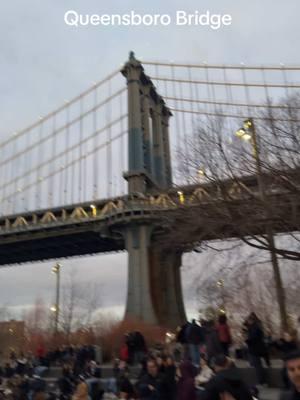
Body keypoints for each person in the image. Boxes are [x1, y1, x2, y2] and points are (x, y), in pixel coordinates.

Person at [244, 313, 270, 385]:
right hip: (258, 348)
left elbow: (253, 338)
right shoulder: (257, 326)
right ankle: (262, 380)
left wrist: (247, 340)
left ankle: (262, 381)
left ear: (251, 320)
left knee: (258, 366)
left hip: (255, 349)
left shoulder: (254, 327)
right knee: (258, 364)